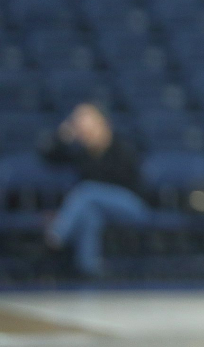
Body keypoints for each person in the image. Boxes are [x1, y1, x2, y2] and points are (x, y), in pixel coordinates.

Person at [39, 102, 151, 278]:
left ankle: (56, 236)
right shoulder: (82, 153)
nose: (83, 127)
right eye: (79, 123)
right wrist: (63, 135)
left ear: (102, 122)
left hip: (133, 205)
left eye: (87, 121)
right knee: (90, 214)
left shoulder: (121, 146)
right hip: (100, 207)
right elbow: (50, 155)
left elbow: (130, 182)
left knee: (86, 190)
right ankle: (89, 269)